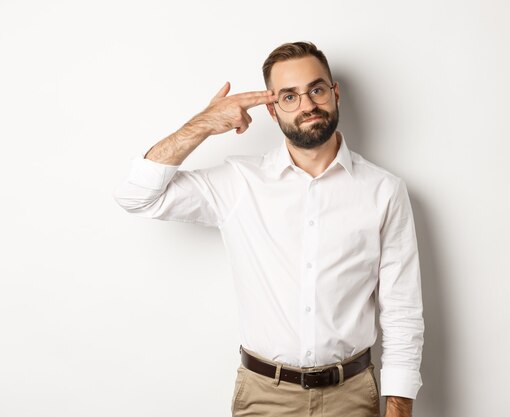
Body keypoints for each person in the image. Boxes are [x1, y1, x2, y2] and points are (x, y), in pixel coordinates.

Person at [113, 41, 424, 417]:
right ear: (273, 112)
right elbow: (136, 196)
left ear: (335, 93)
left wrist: (399, 407)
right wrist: (204, 124)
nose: (307, 104)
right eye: (289, 96)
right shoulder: (240, 182)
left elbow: (402, 310)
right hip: (265, 398)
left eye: (316, 89)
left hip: (353, 396)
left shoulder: (383, 190)